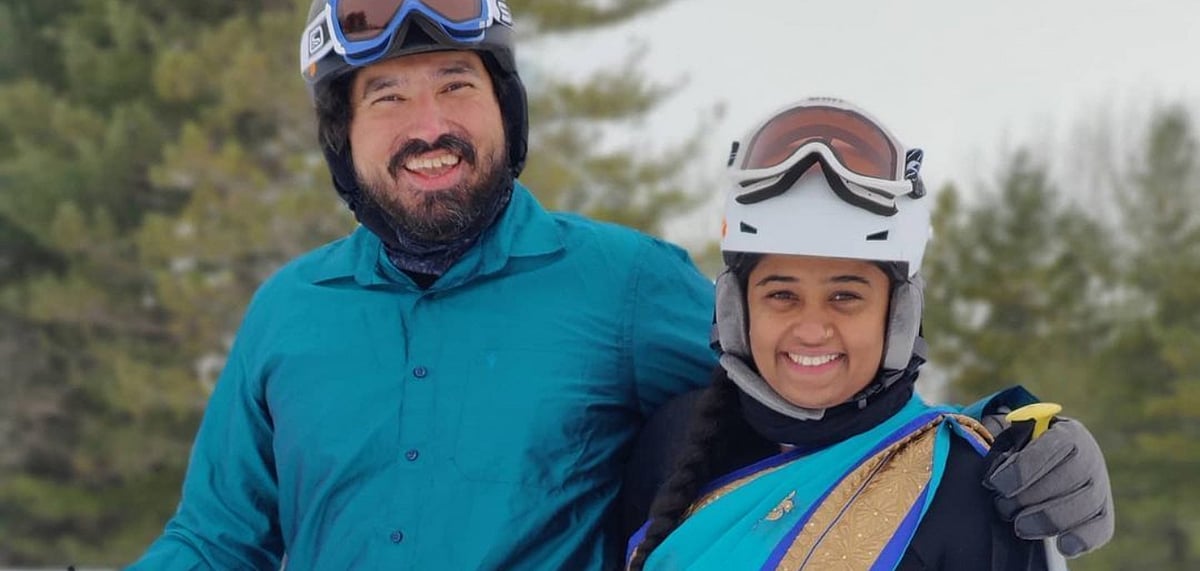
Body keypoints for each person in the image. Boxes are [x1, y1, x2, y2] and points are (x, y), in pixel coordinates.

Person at [130, 3, 1112, 569]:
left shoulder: (622, 285)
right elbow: (216, 541)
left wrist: (1010, 432)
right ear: (343, 137)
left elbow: (815, 386)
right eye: (389, 96)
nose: (428, 121)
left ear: (506, 113)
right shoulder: (288, 315)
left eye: (457, 85)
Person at [625, 98, 1107, 570]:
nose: (812, 329)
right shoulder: (673, 440)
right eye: (781, 295)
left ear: (897, 315)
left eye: (845, 297)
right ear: (737, 309)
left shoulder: (974, 488)